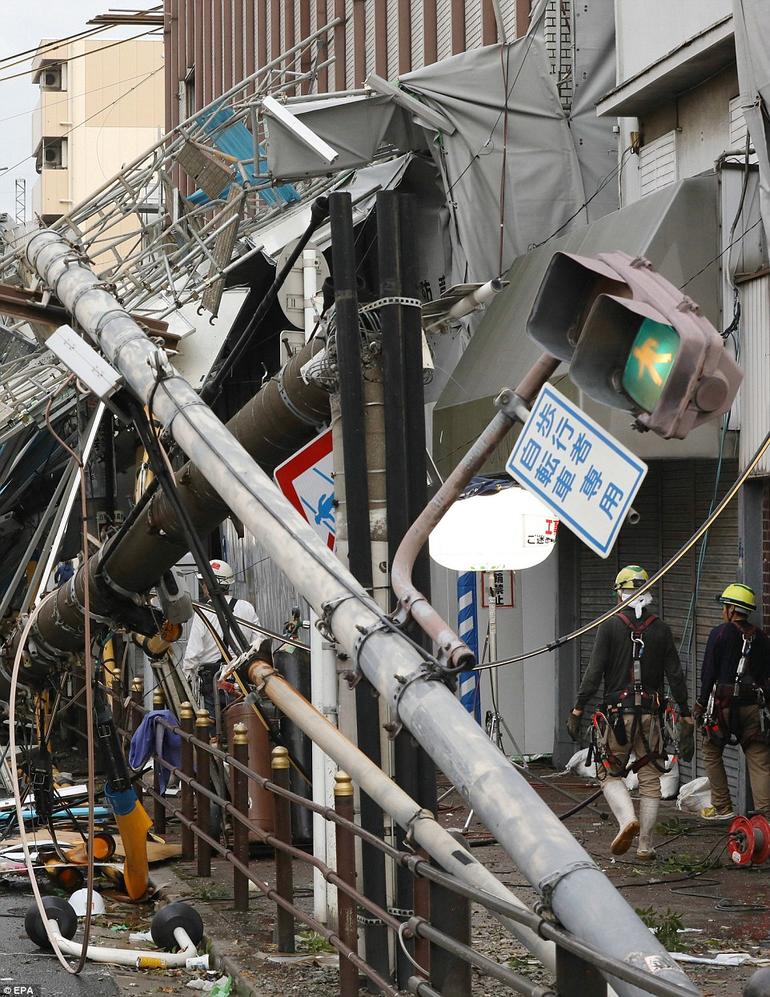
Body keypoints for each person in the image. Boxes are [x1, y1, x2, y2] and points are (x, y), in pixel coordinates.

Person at [566, 565, 693, 860]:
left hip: (617, 717)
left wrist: (578, 708)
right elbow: (675, 675)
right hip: (651, 717)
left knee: (608, 773)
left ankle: (626, 821)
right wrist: (685, 715)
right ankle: (645, 846)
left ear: (619, 593)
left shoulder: (610, 626)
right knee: (650, 779)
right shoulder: (661, 629)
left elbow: (594, 672)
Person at [693, 583, 770, 820]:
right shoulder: (762, 637)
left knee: (711, 749)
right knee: (759, 759)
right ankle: (765, 817)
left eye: (724, 606)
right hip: (752, 708)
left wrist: (700, 703)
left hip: (722, 708)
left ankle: (722, 806)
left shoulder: (720, 633)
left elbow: (708, 673)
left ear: (730, 609)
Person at [180, 559, 260, 720]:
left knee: (210, 724)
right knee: (241, 721)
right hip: (241, 677)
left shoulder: (203, 612)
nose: (203, 587)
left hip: (212, 678)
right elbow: (258, 643)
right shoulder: (246, 608)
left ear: (210, 585)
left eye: (203, 583)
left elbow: (193, 653)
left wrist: (186, 679)